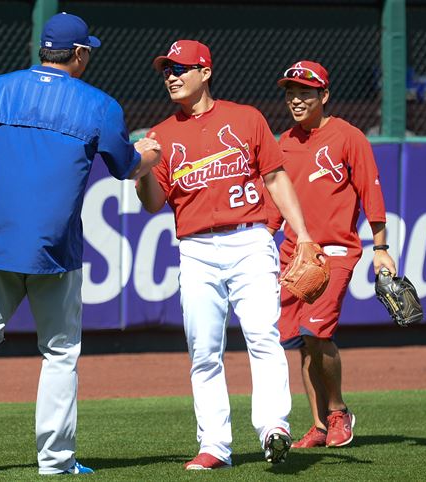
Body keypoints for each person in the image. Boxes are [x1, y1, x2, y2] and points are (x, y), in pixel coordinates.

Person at [0, 12, 161, 477]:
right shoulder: (99, 104)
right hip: (55, 250)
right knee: (59, 352)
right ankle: (55, 461)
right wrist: (150, 153)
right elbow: (126, 166)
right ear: (79, 54)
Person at [136, 40, 320, 470]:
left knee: (262, 335)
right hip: (196, 249)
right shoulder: (161, 135)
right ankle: (215, 445)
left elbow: (275, 179)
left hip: (250, 240)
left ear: (205, 72)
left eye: (181, 68)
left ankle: (274, 429)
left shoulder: (245, 118)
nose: (172, 76)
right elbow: (151, 203)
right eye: (166, 70)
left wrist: (305, 235)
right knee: (203, 350)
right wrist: (142, 169)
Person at [267, 60, 397, 449]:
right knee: (302, 344)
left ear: (324, 95)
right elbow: (274, 201)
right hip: (293, 254)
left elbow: (371, 193)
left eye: (305, 92)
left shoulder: (348, 137)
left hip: (336, 252)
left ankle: (338, 410)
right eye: (291, 93)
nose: (296, 100)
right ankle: (320, 426)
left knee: (316, 331)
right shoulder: (283, 142)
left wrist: (381, 249)